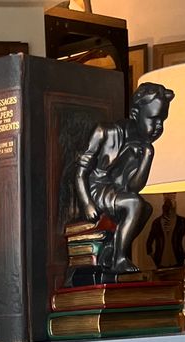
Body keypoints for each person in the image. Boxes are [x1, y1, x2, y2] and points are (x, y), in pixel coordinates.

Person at [73, 81, 175, 275]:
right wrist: (87, 203)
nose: (158, 126)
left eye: (163, 120)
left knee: (145, 208)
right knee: (135, 204)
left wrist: (147, 157)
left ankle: (114, 249)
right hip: (97, 186)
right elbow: (81, 171)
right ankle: (119, 259)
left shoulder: (144, 146)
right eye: (153, 119)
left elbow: (134, 188)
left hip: (116, 191)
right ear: (136, 115)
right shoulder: (106, 132)